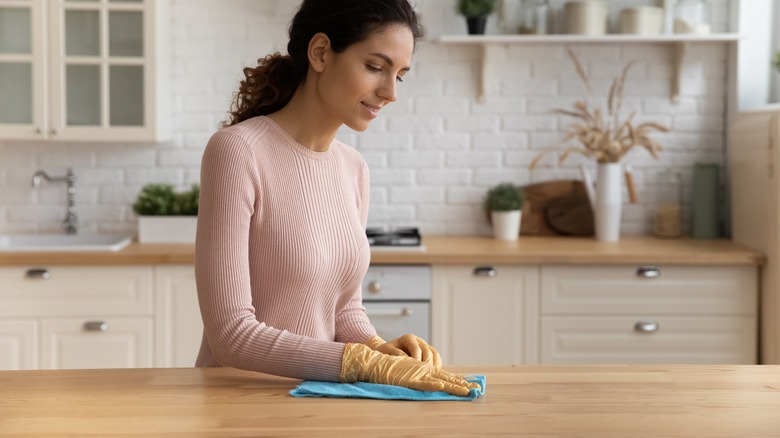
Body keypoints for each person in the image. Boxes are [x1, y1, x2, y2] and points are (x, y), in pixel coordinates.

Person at [195, 0, 478, 396]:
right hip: (240, 401)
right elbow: (231, 334)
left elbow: (344, 309)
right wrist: (362, 363)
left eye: (400, 75)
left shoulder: (354, 168)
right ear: (321, 53)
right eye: (376, 67)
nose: (390, 92)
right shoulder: (237, 151)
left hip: (321, 398)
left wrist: (380, 347)